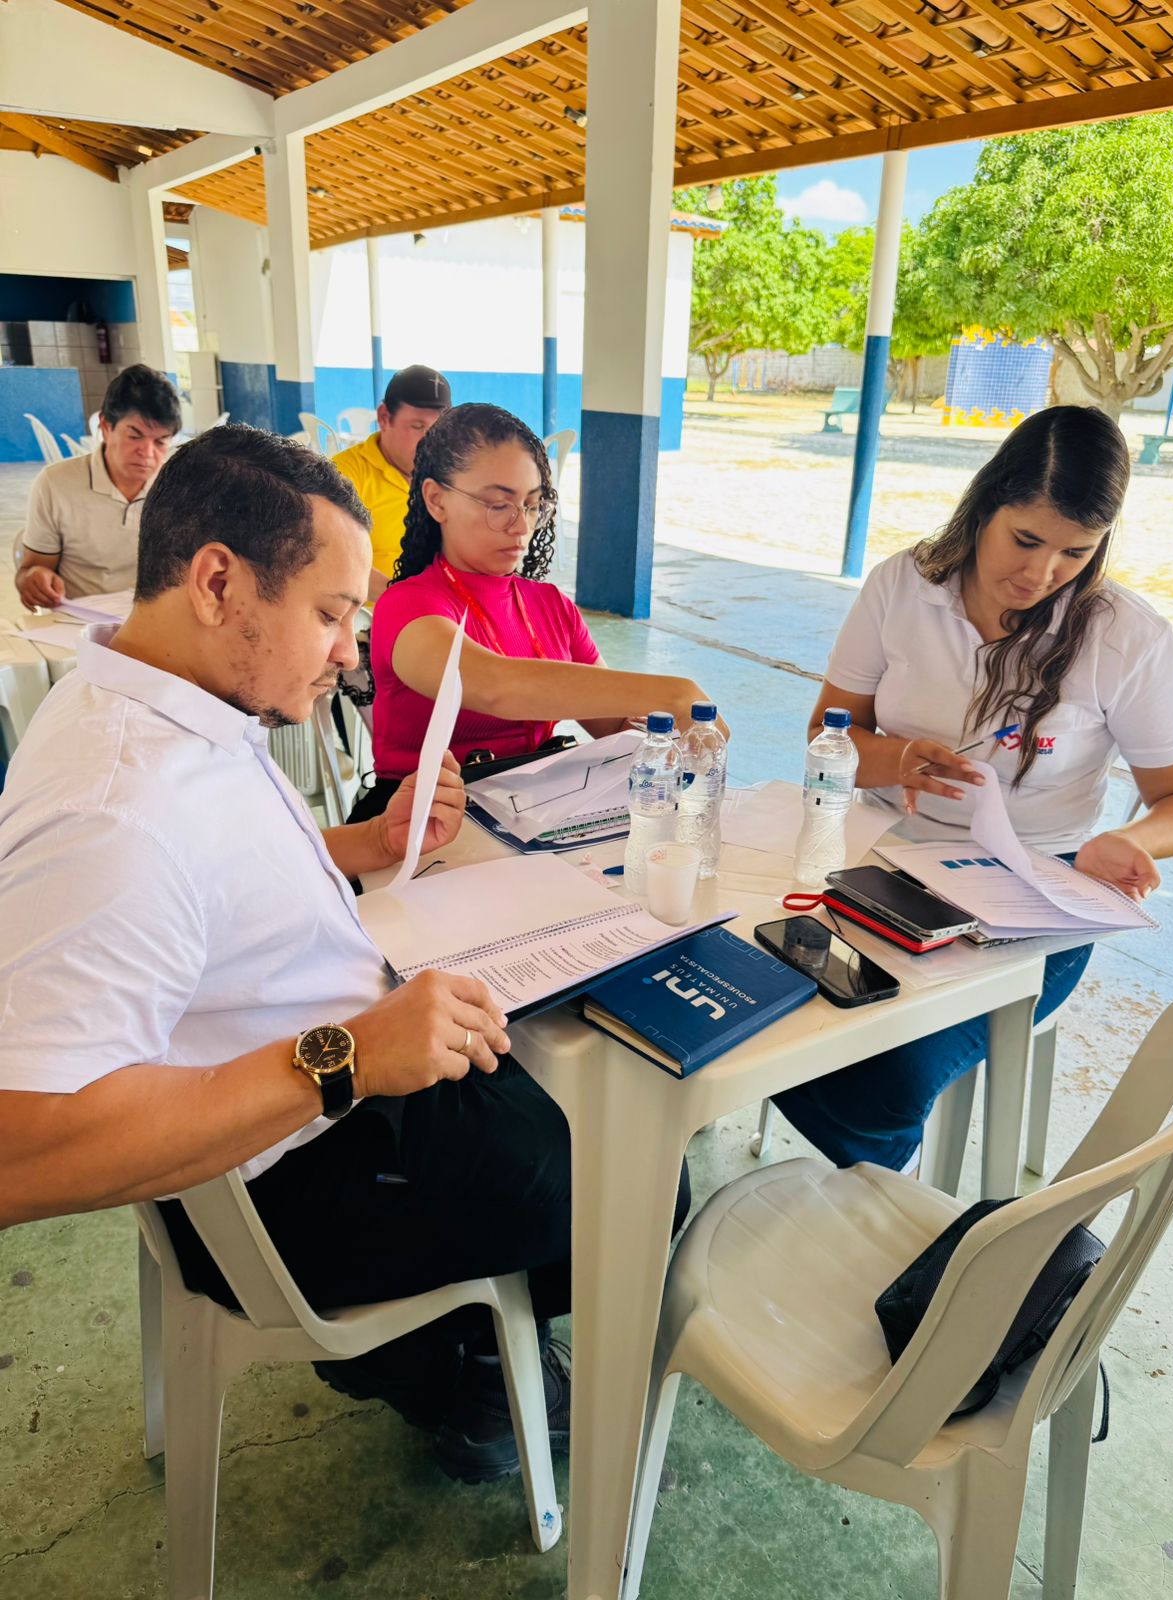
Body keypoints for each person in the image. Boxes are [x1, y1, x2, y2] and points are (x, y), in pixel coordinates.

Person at [0, 424, 690, 1484]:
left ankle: (463, 1343)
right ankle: (449, 1363)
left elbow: (206, 877)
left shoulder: (159, 703)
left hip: (320, 1085)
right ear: (218, 584)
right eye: (329, 615)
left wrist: (364, 846)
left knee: (589, 1094)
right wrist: (348, 1056)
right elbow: (20, 1152)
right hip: (296, 1170)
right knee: (638, 1175)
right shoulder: (112, 811)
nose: (349, 653)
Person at [773, 405, 1173, 1172]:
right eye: (1025, 540)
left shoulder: (1124, 635)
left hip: (1037, 897)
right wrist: (896, 758)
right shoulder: (905, 586)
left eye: (1076, 551)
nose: (1041, 574)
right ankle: (839, 1181)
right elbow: (828, 737)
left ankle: (863, 1204)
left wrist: (1130, 838)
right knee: (762, 998)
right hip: (878, 864)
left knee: (887, 1071)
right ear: (984, 506)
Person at [355, 401, 725, 821]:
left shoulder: (551, 606)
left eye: (533, 505)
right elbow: (496, 687)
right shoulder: (407, 606)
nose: (521, 526)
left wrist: (663, 740)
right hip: (419, 824)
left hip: (532, 817)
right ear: (437, 500)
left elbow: (615, 726)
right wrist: (675, 693)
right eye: (499, 505)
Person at [15, 363, 181, 609]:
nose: (147, 453)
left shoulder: (178, 487)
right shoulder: (56, 484)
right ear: (105, 427)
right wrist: (33, 579)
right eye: (134, 436)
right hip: (80, 619)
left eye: (160, 441)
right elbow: (32, 568)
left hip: (157, 618)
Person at [331, 364, 452, 600]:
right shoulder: (344, 476)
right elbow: (334, 561)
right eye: (417, 426)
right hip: (374, 615)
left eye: (439, 429)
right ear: (384, 417)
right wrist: (405, 599)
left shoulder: (452, 475)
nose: (430, 441)